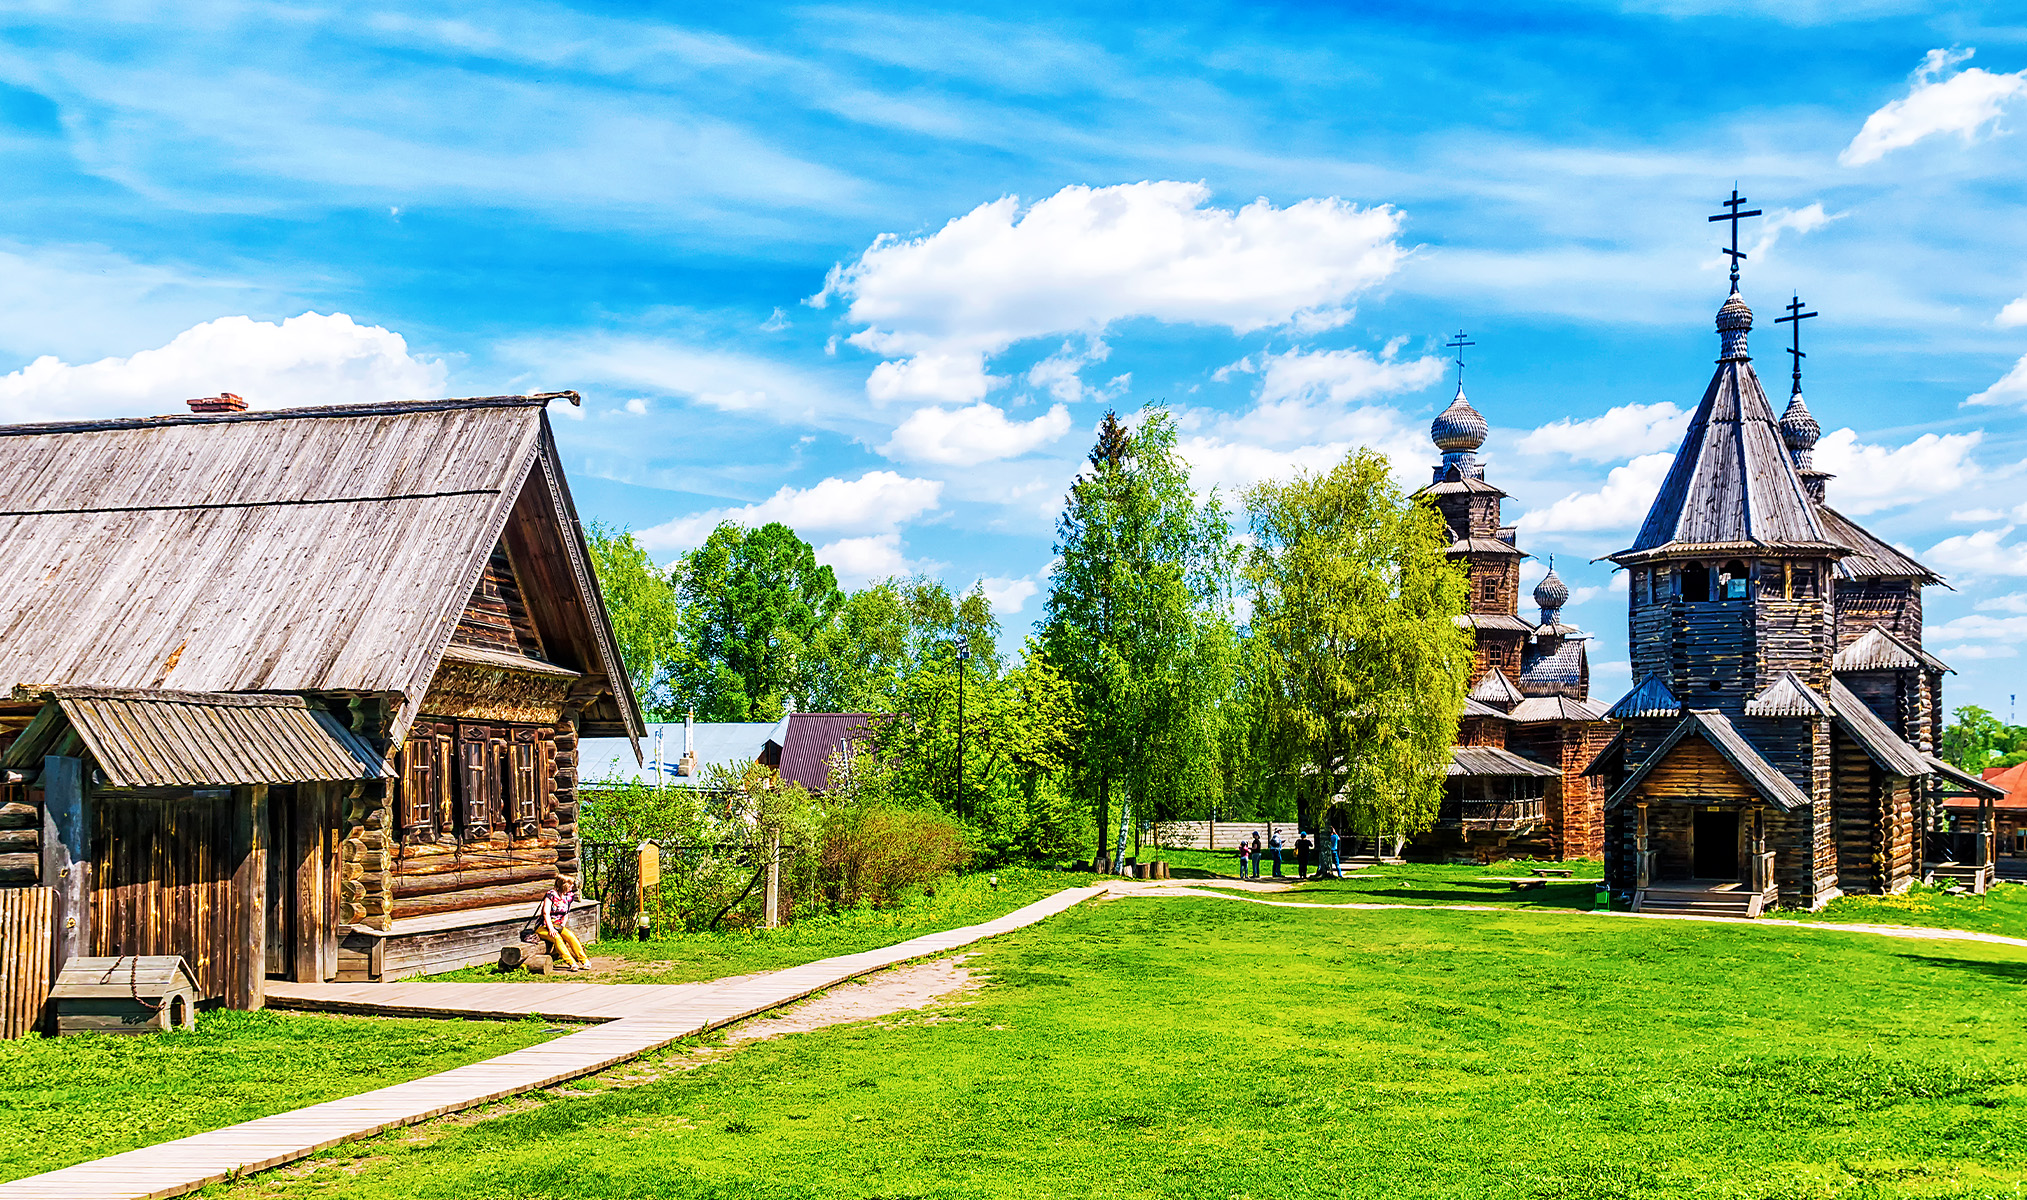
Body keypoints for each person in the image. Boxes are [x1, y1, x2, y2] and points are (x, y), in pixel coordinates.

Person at [538, 874, 590, 972]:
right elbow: (546, 913)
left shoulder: (568, 897)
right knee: (557, 938)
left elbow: (566, 913)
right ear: (564, 884)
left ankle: (584, 961)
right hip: (544, 926)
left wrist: (562, 926)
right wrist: (551, 928)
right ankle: (571, 963)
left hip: (558, 926)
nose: (572, 886)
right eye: (570, 884)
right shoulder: (551, 895)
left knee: (570, 936)